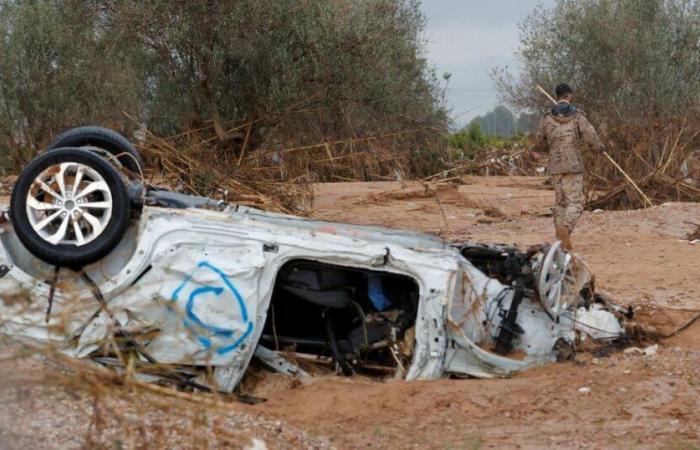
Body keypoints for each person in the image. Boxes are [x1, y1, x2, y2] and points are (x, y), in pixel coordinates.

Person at [534, 83, 604, 250]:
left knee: (560, 203)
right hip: (573, 165)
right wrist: (599, 147)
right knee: (575, 203)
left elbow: (538, 141)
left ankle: (560, 238)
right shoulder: (578, 116)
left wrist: (550, 147)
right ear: (569, 96)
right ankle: (565, 229)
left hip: (555, 166)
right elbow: (590, 135)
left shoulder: (547, 118)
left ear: (557, 96)